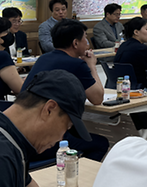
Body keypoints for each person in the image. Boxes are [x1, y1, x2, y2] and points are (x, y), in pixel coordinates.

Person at [23, 19, 109, 163]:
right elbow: (97, 98)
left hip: (26, 134)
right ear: (75, 43)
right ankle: (77, 176)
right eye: (85, 39)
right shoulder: (77, 64)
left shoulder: (43, 58)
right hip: (47, 139)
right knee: (100, 144)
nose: (87, 42)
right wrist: (92, 65)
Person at [114, 17, 147, 88]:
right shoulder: (142, 49)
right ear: (136, 32)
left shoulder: (123, 45)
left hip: (123, 86)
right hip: (141, 87)